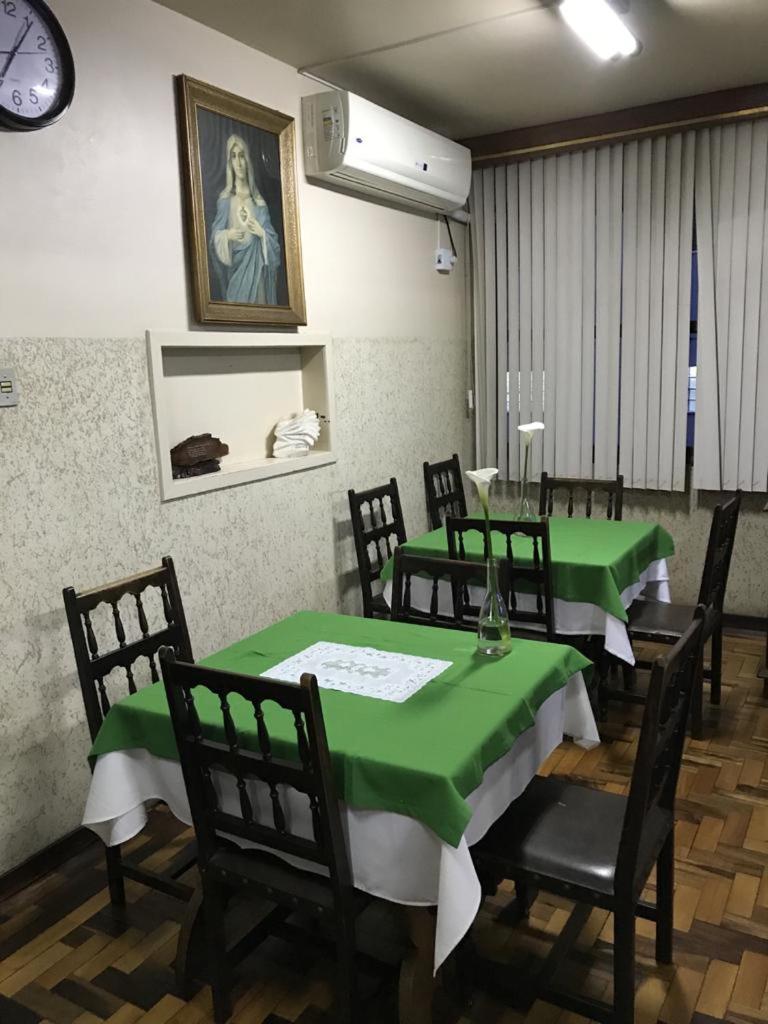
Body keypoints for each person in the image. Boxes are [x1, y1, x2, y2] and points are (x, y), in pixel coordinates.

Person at [209, 134, 281, 304]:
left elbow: (274, 246)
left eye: (241, 156)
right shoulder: (225, 200)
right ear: (230, 163)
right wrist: (227, 235)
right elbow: (213, 239)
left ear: (247, 160)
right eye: (234, 157)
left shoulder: (258, 202)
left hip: (257, 275)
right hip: (235, 272)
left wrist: (262, 234)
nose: (239, 163)